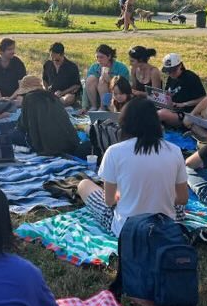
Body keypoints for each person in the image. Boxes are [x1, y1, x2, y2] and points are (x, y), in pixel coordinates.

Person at [77, 98, 189, 235]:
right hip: (164, 225)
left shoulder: (114, 151)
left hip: (128, 229)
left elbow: (109, 201)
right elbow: (182, 198)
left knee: (84, 185)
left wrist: (126, 195)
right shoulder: (175, 150)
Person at [156, 53, 206, 127]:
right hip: (171, 108)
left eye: (173, 71)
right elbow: (167, 93)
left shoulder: (190, 77)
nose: (171, 74)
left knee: (160, 114)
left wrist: (183, 104)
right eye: (168, 71)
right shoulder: (171, 78)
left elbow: (203, 98)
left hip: (186, 113)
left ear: (180, 66)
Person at [84, 44, 130, 111]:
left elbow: (124, 87)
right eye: (97, 57)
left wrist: (110, 80)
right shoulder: (94, 67)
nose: (99, 60)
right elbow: (86, 86)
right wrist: (84, 106)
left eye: (101, 57)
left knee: (102, 80)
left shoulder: (121, 68)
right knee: (91, 78)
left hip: (117, 96)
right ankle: (94, 106)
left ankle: (102, 108)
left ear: (109, 56)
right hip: (98, 96)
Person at [42, 42, 81, 106]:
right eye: (52, 58)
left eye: (57, 60)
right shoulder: (47, 64)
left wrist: (62, 93)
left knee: (68, 99)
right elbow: (44, 80)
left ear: (62, 55)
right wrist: (47, 92)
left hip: (66, 94)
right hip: (51, 93)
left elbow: (77, 85)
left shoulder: (72, 67)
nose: (54, 61)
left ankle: (54, 104)